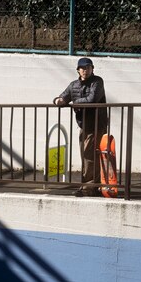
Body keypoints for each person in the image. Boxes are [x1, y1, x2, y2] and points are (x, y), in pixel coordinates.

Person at [53, 57, 107, 196]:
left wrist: (74, 102)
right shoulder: (73, 85)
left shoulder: (97, 81)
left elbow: (92, 99)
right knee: (87, 155)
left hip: (96, 124)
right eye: (83, 68)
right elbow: (63, 96)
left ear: (92, 69)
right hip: (83, 125)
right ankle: (92, 186)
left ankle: (88, 188)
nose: (85, 70)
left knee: (89, 155)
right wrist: (58, 100)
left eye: (88, 67)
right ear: (78, 70)